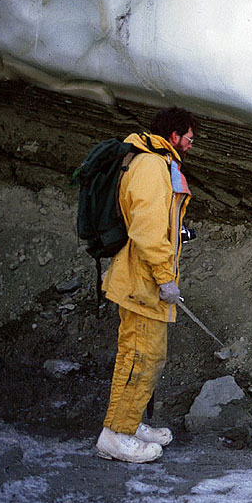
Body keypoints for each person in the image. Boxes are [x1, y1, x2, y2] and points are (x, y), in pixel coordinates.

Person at [95, 107, 198, 463]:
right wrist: (165, 278)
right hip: (142, 282)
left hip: (145, 280)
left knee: (148, 356)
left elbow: (159, 222)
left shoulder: (155, 163)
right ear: (173, 136)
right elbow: (147, 229)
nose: (190, 144)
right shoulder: (152, 166)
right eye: (188, 137)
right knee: (139, 357)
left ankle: (129, 422)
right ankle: (116, 435)